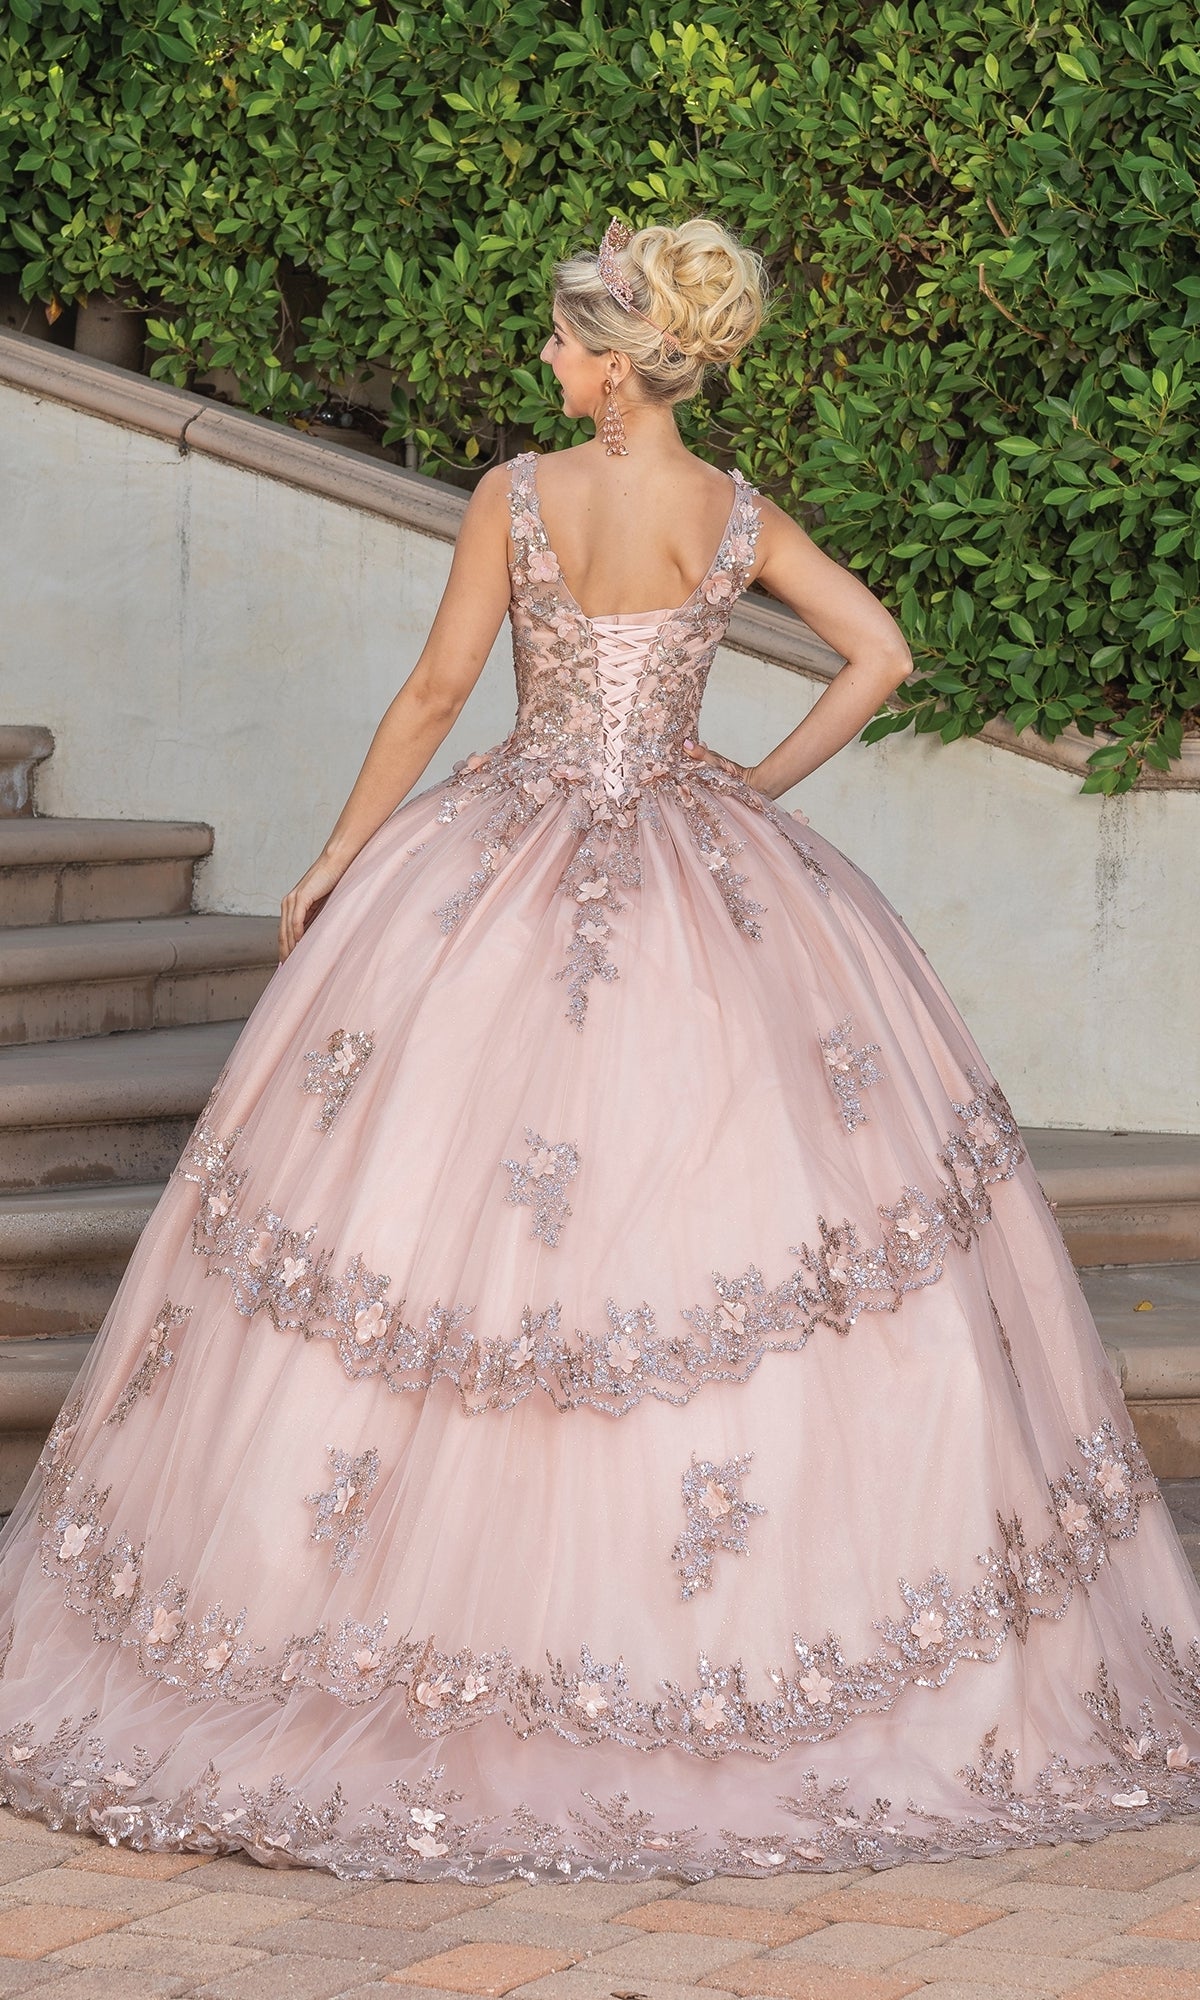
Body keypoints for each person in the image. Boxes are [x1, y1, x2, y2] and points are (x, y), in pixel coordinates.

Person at [1, 215, 1198, 1885]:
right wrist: (753, 790)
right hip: (712, 872)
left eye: (567, 343)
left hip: (506, 854)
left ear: (621, 367)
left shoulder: (521, 496)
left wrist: (345, 852)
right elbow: (884, 658)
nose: (547, 364)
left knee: (451, 1217)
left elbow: (435, 693)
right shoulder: (737, 515)